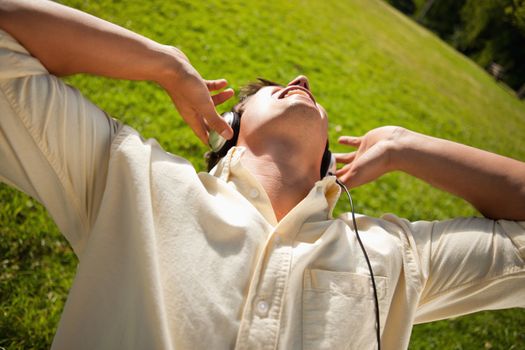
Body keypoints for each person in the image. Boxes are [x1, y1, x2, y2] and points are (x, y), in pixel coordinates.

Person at [0, 1, 524, 349]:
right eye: (274, 88)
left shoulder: (395, 256)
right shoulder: (131, 175)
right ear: (228, 127)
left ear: (326, 160)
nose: (301, 80)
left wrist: (409, 147)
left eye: (304, 90)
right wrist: (163, 64)